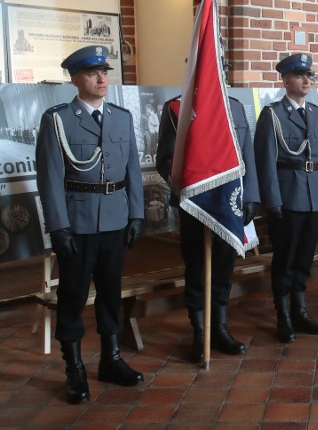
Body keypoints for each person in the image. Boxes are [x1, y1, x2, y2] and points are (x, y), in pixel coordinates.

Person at [36, 45, 145, 404]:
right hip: (78, 223)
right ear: (74, 79)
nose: (101, 79)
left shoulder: (122, 117)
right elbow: (50, 178)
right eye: (92, 73)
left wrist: (136, 214)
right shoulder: (58, 119)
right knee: (73, 297)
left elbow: (131, 170)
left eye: (104, 72)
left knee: (111, 295)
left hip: (115, 219)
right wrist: (59, 227)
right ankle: (75, 368)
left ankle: (111, 360)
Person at [156, 93, 260, 361]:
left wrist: (251, 196)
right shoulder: (176, 108)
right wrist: (190, 188)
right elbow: (166, 158)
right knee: (198, 266)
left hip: (230, 201)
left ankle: (220, 327)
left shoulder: (234, 107)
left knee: (224, 265)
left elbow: (247, 153)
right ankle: (200, 331)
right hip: (196, 203)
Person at [254, 53, 318, 342]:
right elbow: (265, 162)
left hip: (313, 196)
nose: (306, 80)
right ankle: (283, 316)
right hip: (287, 198)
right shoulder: (272, 115)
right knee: (285, 259)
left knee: (304, 257)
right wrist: (272, 201)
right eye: (300, 75)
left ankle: (300, 310)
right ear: (285, 79)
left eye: (309, 75)